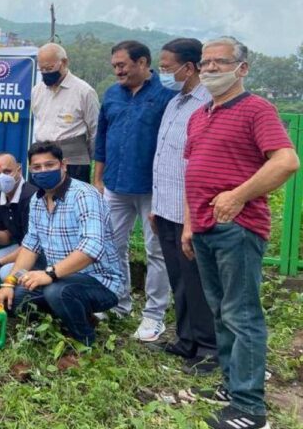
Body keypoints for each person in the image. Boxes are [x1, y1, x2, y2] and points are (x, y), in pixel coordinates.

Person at [183, 37, 299, 429]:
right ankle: (232, 385)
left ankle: (250, 408)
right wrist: (188, 224)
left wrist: (238, 196)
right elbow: (193, 172)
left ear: (242, 68)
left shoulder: (257, 110)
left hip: (237, 228)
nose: (210, 69)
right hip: (203, 227)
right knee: (221, 311)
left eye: (220, 62)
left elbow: (286, 161)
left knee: (241, 313)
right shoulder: (200, 115)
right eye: (205, 63)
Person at [0, 142, 123, 347]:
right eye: (37, 167)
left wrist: (49, 274)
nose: (43, 171)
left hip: (99, 281)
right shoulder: (37, 201)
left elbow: (91, 248)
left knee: (57, 292)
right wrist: (9, 282)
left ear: (63, 165)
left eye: (50, 165)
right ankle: (64, 323)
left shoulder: (84, 195)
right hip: (61, 277)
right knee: (17, 297)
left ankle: (84, 341)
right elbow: (30, 246)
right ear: (30, 170)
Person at [93, 40, 177, 342]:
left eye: (122, 66)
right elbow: (102, 136)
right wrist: (98, 177)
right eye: (114, 66)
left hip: (153, 188)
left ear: (143, 63)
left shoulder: (167, 95)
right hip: (115, 184)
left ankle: (154, 315)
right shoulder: (113, 94)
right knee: (112, 247)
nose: (117, 72)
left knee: (157, 252)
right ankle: (119, 302)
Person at [149, 38, 217, 374]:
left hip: (190, 211)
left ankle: (207, 348)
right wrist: (156, 205)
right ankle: (186, 339)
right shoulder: (176, 103)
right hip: (166, 207)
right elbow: (165, 157)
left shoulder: (208, 106)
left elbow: (199, 166)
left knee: (198, 281)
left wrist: (191, 218)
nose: (162, 72)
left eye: (165, 66)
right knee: (179, 277)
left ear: (188, 67)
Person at [31, 43, 99, 183]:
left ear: (64, 62)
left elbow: (95, 131)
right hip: (42, 160)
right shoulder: (37, 91)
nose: (46, 73)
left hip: (74, 162)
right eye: (42, 69)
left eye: (49, 68)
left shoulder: (84, 91)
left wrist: (94, 165)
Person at [0, 152, 42, 283]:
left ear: (19, 170)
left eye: (7, 171)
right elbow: (7, 237)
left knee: (5, 273)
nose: (1, 177)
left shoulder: (32, 197)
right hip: (20, 247)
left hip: (40, 252)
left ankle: (25, 300)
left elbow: (32, 245)